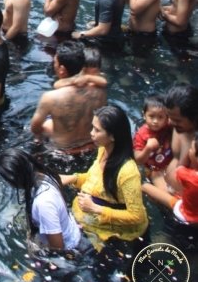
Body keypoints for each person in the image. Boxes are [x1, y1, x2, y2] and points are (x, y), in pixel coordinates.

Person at [61, 105, 148, 251]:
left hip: (120, 234)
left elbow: (136, 215)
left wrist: (96, 208)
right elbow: (95, 179)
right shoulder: (103, 149)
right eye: (92, 128)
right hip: (95, 217)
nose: (91, 133)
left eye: (97, 130)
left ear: (113, 136)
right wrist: (71, 178)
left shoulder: (128, 172)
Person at [0, 148, 82, 251]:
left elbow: (58, 246)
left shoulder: (43, 203)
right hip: (70, 229)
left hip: (69, 247)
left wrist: (34, 250)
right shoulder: (42, 174)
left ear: (16, 179)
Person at [30, 41, 106, 152]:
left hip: (62, 150)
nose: (53, 64)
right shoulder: (100, 90)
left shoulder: (50, 98)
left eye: (54, 62)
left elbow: (35, 128)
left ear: (62, 69)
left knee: (45, 125)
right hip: (91, 146)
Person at [142, 131, 198, 224]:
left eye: (191, 149)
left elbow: (178, 169)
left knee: (145, 186)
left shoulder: (189, 176)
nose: (189, 150)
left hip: (185, 212)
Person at [133, 94, 172, 189]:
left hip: (169, 163)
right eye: (151, 116)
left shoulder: (168, 126)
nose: (155, 121)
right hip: (153, 169)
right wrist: (148, 148)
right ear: (144, 115)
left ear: (167, 117)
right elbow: (137, 160)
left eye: (160, 117)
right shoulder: (141, 135)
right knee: (165, 190)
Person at [164, 84, 198, 191]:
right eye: (169, 117)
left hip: (184, 201)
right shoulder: (180, 127)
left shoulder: (196, 144)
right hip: (167, 183)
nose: (170, 122)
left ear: (195, 118)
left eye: (177, 120)